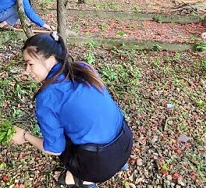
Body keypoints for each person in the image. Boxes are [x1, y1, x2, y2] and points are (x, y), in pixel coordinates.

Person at [11, 32, 133, 187]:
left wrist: (25, 136)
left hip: (100, 163)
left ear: (50, 58)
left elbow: (54, 149)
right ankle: (118, 164)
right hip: (125, 142)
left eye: (30, 64)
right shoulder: (83, 68)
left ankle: (81, 180)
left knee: (59, 140)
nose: (27, 70)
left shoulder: (47, 97)